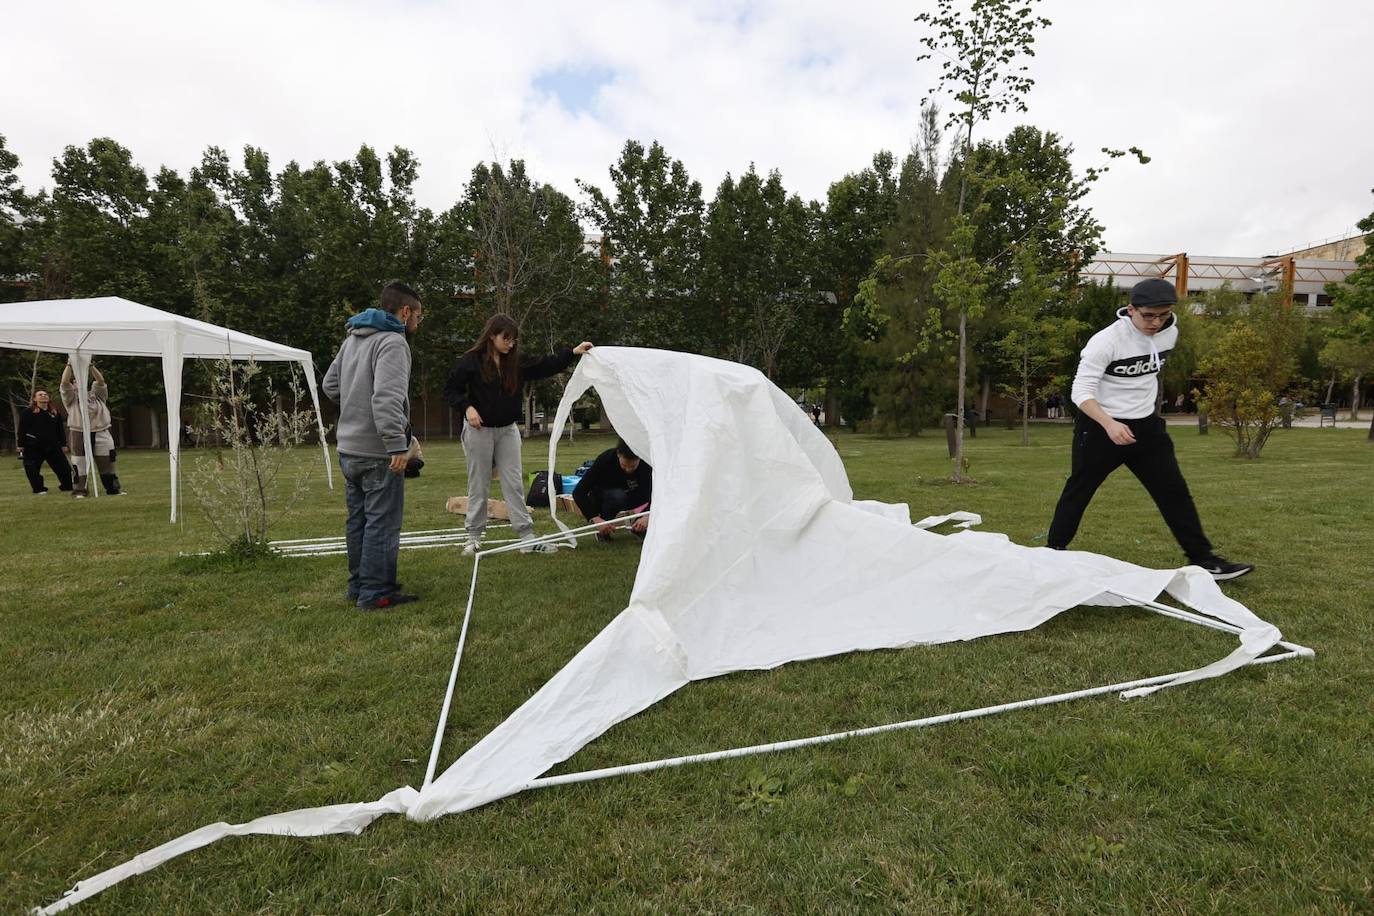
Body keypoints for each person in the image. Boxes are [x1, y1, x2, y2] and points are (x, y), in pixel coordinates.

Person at [1046, 278, 1253, 581]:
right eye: (1148, 316)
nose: (1156, 322)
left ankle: (1204, 560)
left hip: (1147, 428)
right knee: (1080, 489)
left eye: (1163, 315)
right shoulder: (1106, 342)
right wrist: (1109, 423)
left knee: (1174, 492)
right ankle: (1052, 555)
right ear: (1131, 310)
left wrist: (1141, 416)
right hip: (1102, 427)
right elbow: (1081, 392)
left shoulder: (1170, 332)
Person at [444, 313, 593, 555]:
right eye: (506, 338)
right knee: (479, 483)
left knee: (513, 484)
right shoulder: (470, 361)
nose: (511, 344)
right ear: (492, 335)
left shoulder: (516, 361)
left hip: (508, 431)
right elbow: (451, 389)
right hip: (478, 431)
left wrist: (572, 353)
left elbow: (545, 364)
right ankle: (473, 537)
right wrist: (467, 407)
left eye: (514, 340)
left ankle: (527, 538)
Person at [322, 282, 423, 610]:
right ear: (405, 312)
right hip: (379, 450)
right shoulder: (393, 343)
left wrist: (353, 405)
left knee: (359, 520)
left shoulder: (353, 337)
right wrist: (397, 445)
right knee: (382, 521)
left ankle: (358, 586)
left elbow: (330, 385)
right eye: (418, 315)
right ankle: (377, 593)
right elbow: (387, 398)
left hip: (348, 448)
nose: (418, 323)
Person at [572, 438, 653, 541]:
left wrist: (648, 515)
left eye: (633, 466)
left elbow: (660, 493)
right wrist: (595, 519)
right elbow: (579, 492)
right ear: (618, 454)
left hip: (635, 494)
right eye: (624, 466)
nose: (628, 470)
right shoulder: (605, 460)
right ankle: (604, 528)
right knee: (617, 496)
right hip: (605, 497)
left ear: (640, 458)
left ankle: (639, 526)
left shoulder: (647, 462)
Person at [60, 362, 122, 498]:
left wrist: (90, 365)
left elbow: (100, 381)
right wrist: (70, 365)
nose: (79, 383)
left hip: (101, 431)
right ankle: (80, 491)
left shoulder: (97, 395)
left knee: (107, 461)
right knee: (79, 464)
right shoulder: (71, 398)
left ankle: (112, 489)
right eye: (76, 381)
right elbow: (64, 383)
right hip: (79, 432)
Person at [18, 388, 74, 494]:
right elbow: (22, 429)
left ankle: (67, 486)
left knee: (64, 468)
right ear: (35, 399)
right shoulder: (27, 413)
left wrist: (63, 444)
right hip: (33, 446)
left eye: (45, 394)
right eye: (40, 394)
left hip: (53, 445)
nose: (43, 396)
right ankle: (39, 489)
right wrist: (20, 444)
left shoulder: (54, 412)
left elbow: (60, 430)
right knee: (32, 468)